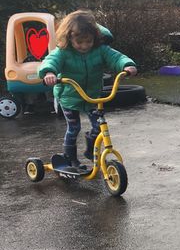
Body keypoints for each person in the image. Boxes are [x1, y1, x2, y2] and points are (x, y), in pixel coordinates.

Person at [38, 10, 137, 169]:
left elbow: (116, 57)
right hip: (69, 97)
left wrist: (127, 65)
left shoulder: (100, 49)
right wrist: (49, 72)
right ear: (70, 38)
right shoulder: (64, 52)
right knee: (74, 127)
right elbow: (51, 60)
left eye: (89, 41)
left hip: (92, 96)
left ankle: (91, 151)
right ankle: (70, 158)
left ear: (94, 38)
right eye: (80, 42)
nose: (85, 46)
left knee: (98, 126)